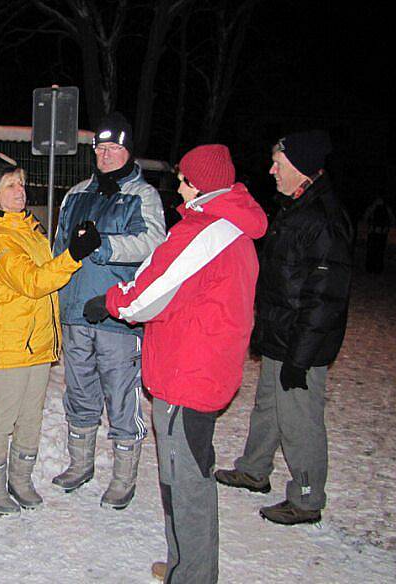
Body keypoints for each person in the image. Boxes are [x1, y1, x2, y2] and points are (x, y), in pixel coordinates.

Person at [84, 145, 267, 583]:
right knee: (188, 476)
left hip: (189, 375)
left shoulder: (208, 231)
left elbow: (149, 294)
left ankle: (192, 575)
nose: (178, 187)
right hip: (201, 369)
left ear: (201, 184)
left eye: (184, 179)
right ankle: (188, 564)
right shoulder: (225, 224)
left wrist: (110, 302)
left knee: (185, 483)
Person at [215, 130, 353, 526]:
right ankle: (254, 469)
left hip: (302, 344)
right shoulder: (294, 208)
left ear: (303, 169)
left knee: (299, 420)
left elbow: (325, 300)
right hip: (282, 334)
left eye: (280, 164)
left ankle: (307, 498)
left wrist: (301, 357)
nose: (271, 170)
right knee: (269, 406)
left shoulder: (322, 220)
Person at [0, 156, 101, 516]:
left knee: (31, 416)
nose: (20, 191)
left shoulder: (29, 229)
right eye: (10, 186)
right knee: (4, 416)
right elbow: (33, 281)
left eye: (21, 184)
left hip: (39, 341)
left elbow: (47, 269)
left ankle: (21, 479)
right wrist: (74, 256)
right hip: (12, 342)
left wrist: (69, 246)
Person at [51, 112, 166, 509]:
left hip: (117, 314)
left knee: (121, 394)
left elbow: (153, 243)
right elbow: (59, 246)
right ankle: (80, 464)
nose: (106, 154)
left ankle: (122, 476)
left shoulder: (143, 195)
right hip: (76, 311)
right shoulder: (76, 193)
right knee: (79, 392)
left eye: (114, 147)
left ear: (128, 151)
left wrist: (105, 246)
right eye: (100, 148)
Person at [362, 196, 395, 273]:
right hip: (383, 232)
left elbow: (365, 218)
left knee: (371, 251)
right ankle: (378, 268)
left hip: (372, 231)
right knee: (380, 251)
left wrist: (368, 225)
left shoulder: (372, 207)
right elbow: (393, 220)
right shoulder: (386, 208)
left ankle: (369, 268)